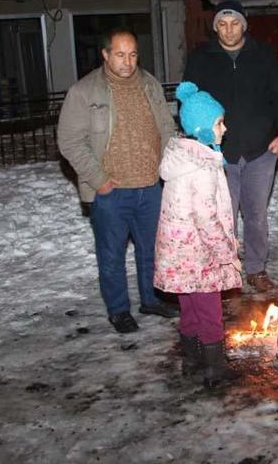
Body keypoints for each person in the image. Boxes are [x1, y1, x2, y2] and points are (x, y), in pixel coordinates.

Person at [57, 28, 178, 333]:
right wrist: (99, 180)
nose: (127, 62)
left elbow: (166, 129)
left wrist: (167, 169)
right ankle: (118, 309)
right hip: (111, 191)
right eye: (120, 55)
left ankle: (151, 298)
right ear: (106, 54)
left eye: (133, 54)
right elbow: (69, 141)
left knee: (153, 249)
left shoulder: (149, 85)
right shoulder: (84, 92)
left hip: (151, 186)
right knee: (111, 254)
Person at [184, 0, 278, 293]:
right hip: (220, 151)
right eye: (222, 23)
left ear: (244, 26)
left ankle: (256, 269)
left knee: (256, 214)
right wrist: (199, 138)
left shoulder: (263, 54)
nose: (228, 29)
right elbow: (190, 101)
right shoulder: (201, 57)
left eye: (234, 23)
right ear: (215, 26)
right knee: (224, 215)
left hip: (261, 149)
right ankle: (226, 271)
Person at [153, 82, 242, 388]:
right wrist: (228, 256)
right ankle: (215, 371)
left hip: (179, 252)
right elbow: (207, 218)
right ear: (203, 128)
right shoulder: (201, 168)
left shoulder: (182, 156)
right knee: (210, 312)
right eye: (219, 123)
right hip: (200, 253)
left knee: (189, 306)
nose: (224, 128)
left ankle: (192, 360)